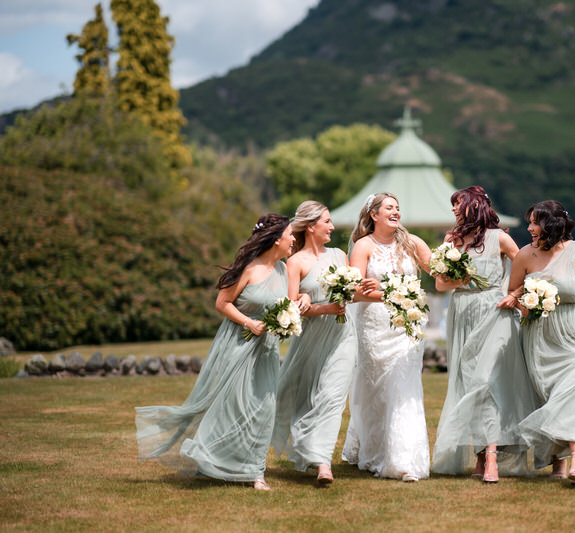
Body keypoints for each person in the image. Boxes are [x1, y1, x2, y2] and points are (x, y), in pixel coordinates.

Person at [135, 214, 302, 492]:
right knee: (232, 405)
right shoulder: (248, 268)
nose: (294, 239)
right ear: (276, 240)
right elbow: (222, 303)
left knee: (264, 408)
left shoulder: (284, 270)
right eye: (291, 235)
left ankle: (255, 471)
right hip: (238, 344)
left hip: (267, 350)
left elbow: (289, 303)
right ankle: (210, 458)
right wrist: (250, 322)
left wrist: (296, 307)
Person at [498, 200, 575, 486]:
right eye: (530, 222)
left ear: (552, 224)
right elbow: (514, 292)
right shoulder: (524, 255)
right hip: (539, 338)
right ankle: (557, 464)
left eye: (535, 222)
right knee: (548, 397)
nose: (530, 228)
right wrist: (523, 302)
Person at [431, 186, 537, 483]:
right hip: (462, 312)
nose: (453, 209)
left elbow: (527, 270)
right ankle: (479, 455)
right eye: (452, 205)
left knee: (488, 381)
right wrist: (459, 280)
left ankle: (491, 455)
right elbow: (440, 285)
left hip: (494, 312)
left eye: (458, 203)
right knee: (467, 382)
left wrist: (513, 295)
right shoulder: (451, 240)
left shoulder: (500, 238)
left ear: (475, 205)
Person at [341, 192, 433, 482]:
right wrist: (389, 295)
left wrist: (466, 269)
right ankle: (375, 450)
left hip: (406, 328)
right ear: (374, 215)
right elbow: (353, 292)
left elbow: (440, 275)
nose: (396, 212)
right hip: (374, 328)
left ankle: (403, 460)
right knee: (375, 391)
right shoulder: (362, 246)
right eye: (389, 208)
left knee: (403, 389)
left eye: (398, 208)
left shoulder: (413, 243)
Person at [271, 201, 359, 485]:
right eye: (327, 221)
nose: (332, 226)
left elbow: (349, 294)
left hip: (343, 337)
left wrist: (360, 291)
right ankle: (309, 447)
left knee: (332, 399)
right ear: (311, 226)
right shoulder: (294, 263)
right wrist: (320, 307)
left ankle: (323, 464)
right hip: (311, 340)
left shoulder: (338, 255)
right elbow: (291, 309)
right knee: (306, 398)